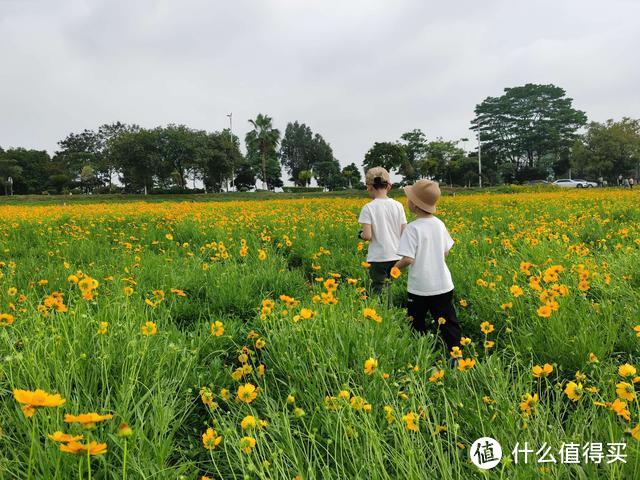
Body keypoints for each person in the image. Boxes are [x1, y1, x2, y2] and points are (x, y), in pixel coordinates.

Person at [393, 179, 462, 356]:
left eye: (409, 198)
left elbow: (407, 259)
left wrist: (394, 268)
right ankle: (456, 355)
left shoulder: (412, 228)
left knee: (416, 321)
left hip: (420, 288)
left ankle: (421, 353)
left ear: (415, 205)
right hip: (443, 284)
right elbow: (445, 252)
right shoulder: (439, 224)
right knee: (448, 322)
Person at [358, 167, 407, 301]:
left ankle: (382, 313)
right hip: (397, 255)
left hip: (378, 257)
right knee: (392, 286)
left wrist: (360, 234)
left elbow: (367, 236)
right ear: (389, 186)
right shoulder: (398, 205)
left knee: (378, 288)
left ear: (369, 187)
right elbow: (404, 232)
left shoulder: (368, 208)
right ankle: (393, 311)